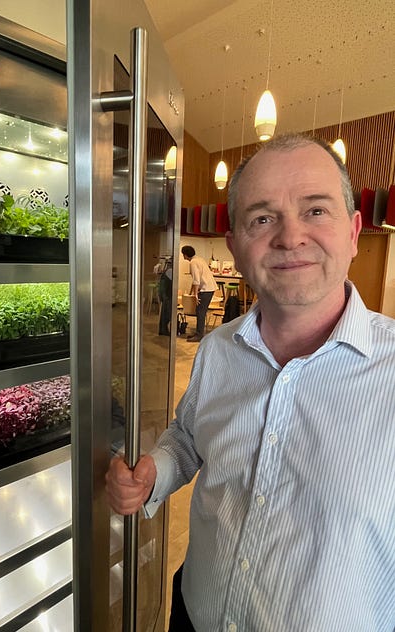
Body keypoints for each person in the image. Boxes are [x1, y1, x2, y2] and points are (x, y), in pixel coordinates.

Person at [106, 133, 395, 631]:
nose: (289, 237)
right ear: (237, 247)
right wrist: (156, 469)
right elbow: (188, 438)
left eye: (316, 211)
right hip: (194, 613)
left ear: (352, 232)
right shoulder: (218, 350)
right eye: (262, 218)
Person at [181, 245, 218, 342]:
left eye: (183, 255)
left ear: (185, 254)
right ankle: (198, 332)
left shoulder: (193, 262)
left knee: (200, 312)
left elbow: (196, 280)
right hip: (209, 288)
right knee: (200, 311)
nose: (183, 257)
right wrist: (192, 292)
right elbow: (195, 280)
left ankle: (199, 335)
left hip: (206, 289)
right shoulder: (199, 259)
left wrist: (195, 295)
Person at [158, 258, 173, 335]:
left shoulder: (167, 271)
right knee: (166, 313)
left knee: (165, 312)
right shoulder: (170, 271)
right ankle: (164, 330)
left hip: (164, 294)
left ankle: (163, 329)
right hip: (167, 294)